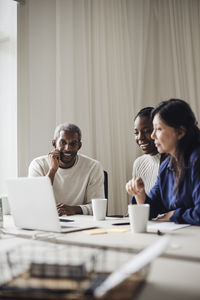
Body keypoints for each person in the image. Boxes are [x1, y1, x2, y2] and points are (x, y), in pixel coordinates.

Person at [126, 99, 200, 225]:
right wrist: (140, 194)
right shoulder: (166, 166)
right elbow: (152, 210)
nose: (153, 135)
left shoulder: (197, 160)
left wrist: (174, 215)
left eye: (158, 129)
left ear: (180, 132)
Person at [28, 123, 104, 216]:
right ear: (54, 143)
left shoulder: (93, 167)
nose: (68, 148)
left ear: (79, 146)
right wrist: (52, 170)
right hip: (47, 219)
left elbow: (97, 207)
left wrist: (73, 209)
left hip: (81, 224)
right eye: (63, 142)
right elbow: (35, 202)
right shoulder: (38, 165)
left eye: (73, 144)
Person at [131, 107, 162, 194]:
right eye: (136, 133)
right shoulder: (138, 163)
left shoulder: (171, 162)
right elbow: (137, 204)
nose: (140, 137)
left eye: (146, 131)